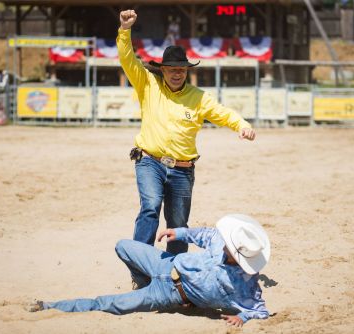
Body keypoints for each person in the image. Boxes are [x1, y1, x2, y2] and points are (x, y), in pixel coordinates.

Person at [117, 9, 257, 260]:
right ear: (163, 69)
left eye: (181, 68)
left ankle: (174, 271)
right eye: (171, 68)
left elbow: (222, 112)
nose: (177, 72)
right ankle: (140, 265)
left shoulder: (198, 97)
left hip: (183, 168)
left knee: (178, 224)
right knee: (150, 208)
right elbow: (128, 59)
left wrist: (241, 125)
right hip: (150, 161)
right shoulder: (147, 84)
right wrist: (125, 31)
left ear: (187, 70)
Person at [27, 214, 270, 327]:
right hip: (166, 263)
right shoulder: (222, 241)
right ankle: (142, 283)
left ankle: (50, 306)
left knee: (109, 304)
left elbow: (260, 311)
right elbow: (206, 235)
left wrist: (242, 316)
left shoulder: (245, 285)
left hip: (169, 296)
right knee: (123, 246)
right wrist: (180, 232)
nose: (225, 242)